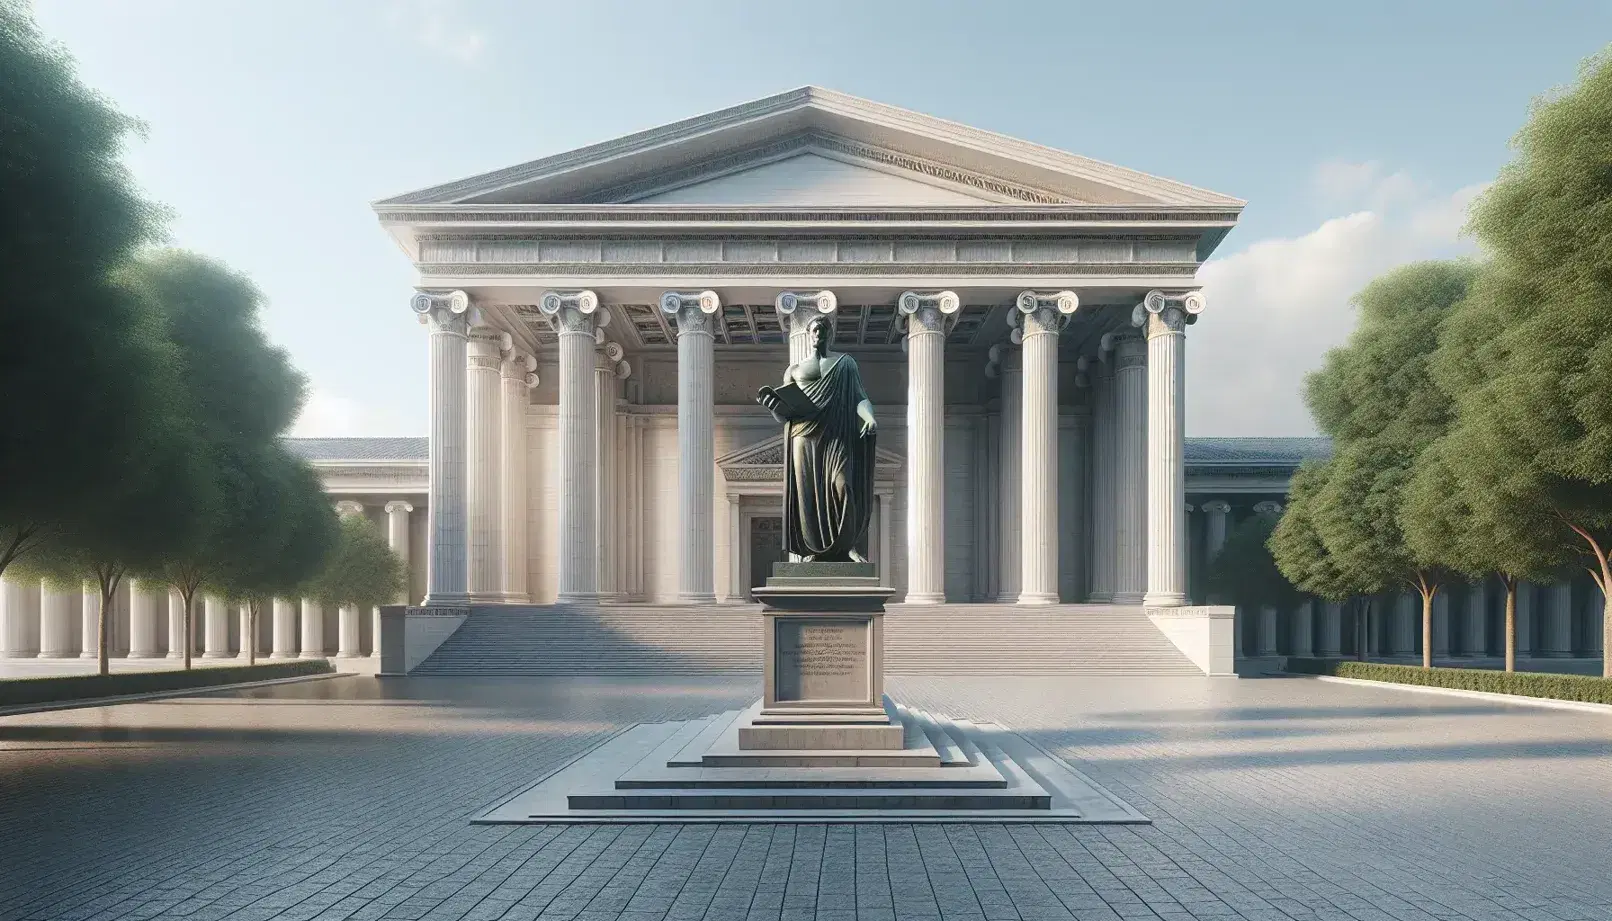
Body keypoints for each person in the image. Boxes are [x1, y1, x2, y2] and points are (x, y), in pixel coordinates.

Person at [757, 316, 877, 562]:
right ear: (808, 334)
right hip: (802, 436)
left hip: (836, 434)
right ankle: (814, 551)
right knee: (807, 495)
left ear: (829, 333)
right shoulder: (794, 371)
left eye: (821, 330)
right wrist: (773, 406)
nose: (817, 334)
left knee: (843, 485)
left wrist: (869, 417)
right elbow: (784, 414)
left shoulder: (845, 364)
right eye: (813, 330)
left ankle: (847, 546)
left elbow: (859, 398)